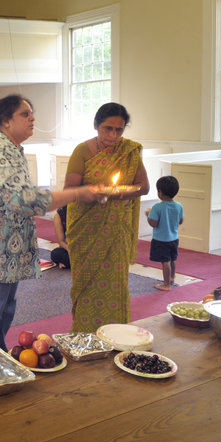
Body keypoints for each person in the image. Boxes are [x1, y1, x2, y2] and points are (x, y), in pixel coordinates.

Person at [0, 95, 103, 351]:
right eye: (25, 114)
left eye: (32, 113)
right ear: (6, 121)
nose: (33, 119)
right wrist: (79, 193)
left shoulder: (8, 147)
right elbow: (25, 200)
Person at [64, 102, 150, 333]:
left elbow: (143, 187)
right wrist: (94, 192)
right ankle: (84, 333)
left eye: (119, 130)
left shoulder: (129, 151)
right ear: (95, 126)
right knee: (86, 284)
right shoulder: (82, 151)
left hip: (116, 230)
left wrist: (120, 192)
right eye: (107, 129)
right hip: (87, 229)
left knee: (116, 284)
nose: (113, 135)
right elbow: (70, 189)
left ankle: (116, 334)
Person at [146, 176, 184, 291]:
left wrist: (148, 215)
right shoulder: (179, 206)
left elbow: (153, 223)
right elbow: (180, 221)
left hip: (161, 239)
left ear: (160, 192)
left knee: (165, 261)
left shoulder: (157, 207)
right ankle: (172, 277)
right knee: (172, 259)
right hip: (174, 238)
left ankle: (166, 284)